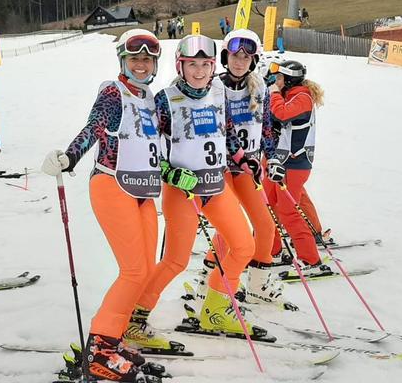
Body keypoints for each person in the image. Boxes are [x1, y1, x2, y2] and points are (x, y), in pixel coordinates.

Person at [42, 29, 163, 382]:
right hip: (113, 184)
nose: (141, 65)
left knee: (145, 269)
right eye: (134, 59)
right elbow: (94, 128)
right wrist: (70, 156)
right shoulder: (114, 92)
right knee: (134, 272)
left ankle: (114, 336)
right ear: (123, 62)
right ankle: (100, 349)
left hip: (144, 190)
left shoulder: (150, 97)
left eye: (147, 60)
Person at [134, 34, 265, 342]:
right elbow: (147, 148)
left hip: (216, 187)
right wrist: (170, 172)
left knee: (244, 246)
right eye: (192, 65)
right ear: (180, 66)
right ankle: (134, 315)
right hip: (183, 192)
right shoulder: (165, 100)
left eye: (205, 65)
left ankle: (216, 309)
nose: (199, 72)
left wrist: (244, 159)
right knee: (176, 261)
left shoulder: (218, 93)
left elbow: (227, 134)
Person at [195, 30, 296, 310]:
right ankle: (211, 281)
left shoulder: (259, 87)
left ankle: (257, 284)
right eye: (235, 55)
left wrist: (272, 157)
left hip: (247, 167)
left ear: (253, 60)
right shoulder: (212, 86)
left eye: (246, 57)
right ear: (225, 56)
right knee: (231, 230)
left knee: (265, 225)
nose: (240, 61)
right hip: (219, 167)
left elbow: (265, 128)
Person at [262, 60, 330, 277]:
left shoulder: (302, 99)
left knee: (288, 211)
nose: (275, 82)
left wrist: (273, 93)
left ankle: (311, 260)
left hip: (294, 165)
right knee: (266, 204)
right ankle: (272, 251)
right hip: (278, 162)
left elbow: (282, 114)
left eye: (279, 78)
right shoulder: (288, 95)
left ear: (289, 80)